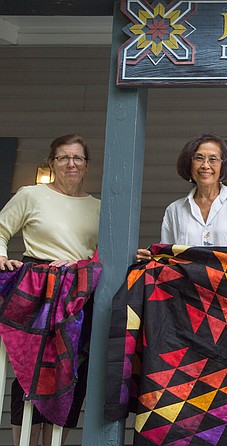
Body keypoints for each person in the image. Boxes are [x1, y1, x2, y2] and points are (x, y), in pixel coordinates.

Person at [0, 134, 100, 446]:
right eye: (63, 158)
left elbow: (103, 253)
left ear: (86, 165)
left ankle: (54, 442)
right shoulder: (31, 195)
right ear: (52, 163)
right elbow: (1, 229)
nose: (71, 163)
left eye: (78, 158)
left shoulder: (98, 206)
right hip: (38, 288)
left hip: (80, 292)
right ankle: (25, 442)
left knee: (74, 367)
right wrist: (2, 258)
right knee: (31, 368)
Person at [137, 133, 227, 265]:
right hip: (186, 290)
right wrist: (148, 258)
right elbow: (166, 260)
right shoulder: (174, 210)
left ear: (223, 165)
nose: (205, 165)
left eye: (213, 159)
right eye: (199, 158)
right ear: (189, 164)